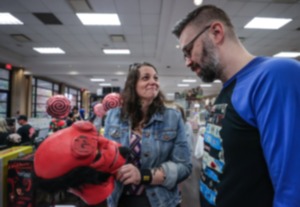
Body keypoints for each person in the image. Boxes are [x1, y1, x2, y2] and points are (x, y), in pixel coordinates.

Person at [172, 4, 300, 207]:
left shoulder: (275, 75)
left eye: (188, 50)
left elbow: (293, 186)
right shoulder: (227, 89)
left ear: (216, 32)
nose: (187, 62)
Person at [104, 62, 192, 207]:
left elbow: (184, 167)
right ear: (133, 84)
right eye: (146, 78)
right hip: (120, 198)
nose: (153, 82)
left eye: (156, 78)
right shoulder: (113, 116)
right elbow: (106, 158)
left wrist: (143, 175)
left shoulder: (172, 117)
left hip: (161, 200)